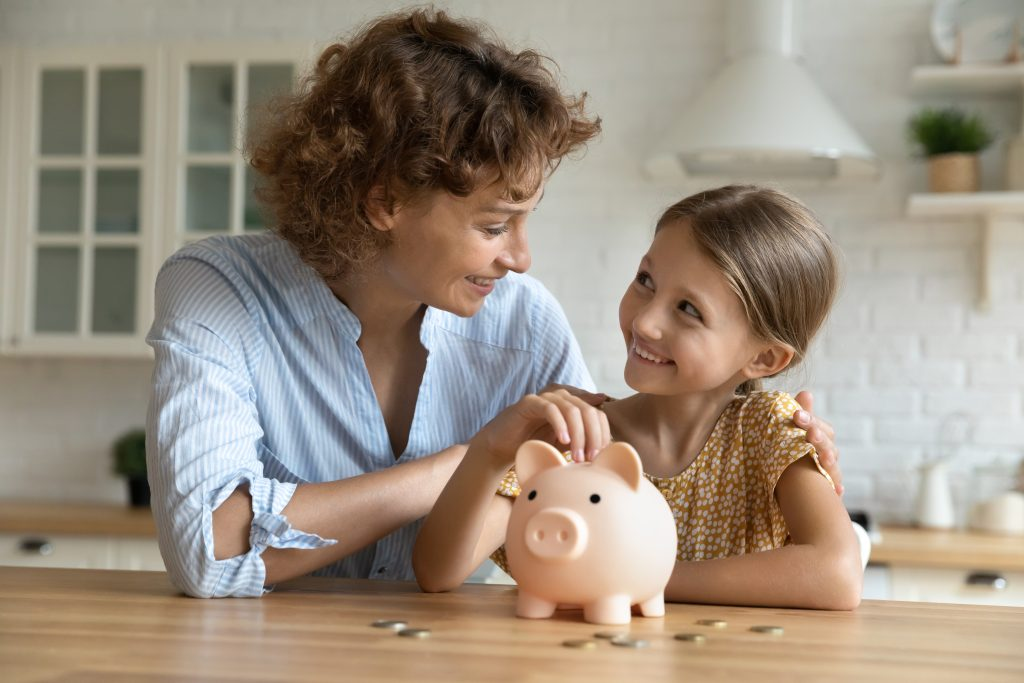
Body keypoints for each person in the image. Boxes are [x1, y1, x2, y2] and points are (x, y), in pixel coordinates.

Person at [146, 9, 841, 599]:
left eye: (526, 219)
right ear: (385, 200)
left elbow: (585, 515)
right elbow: (208, 549)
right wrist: (460, 463)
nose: (520, 257)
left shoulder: (526, 323)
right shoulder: (219, 291)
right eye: (493, 225)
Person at [414, 185, 863, 610]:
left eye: (689, 310)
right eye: (646, 280)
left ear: (765, 358)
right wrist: (491, 449)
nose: (646, 321)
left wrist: (637, 578)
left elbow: (838, 574)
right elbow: (438, 573)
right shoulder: (578, 437)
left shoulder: (767, 431)